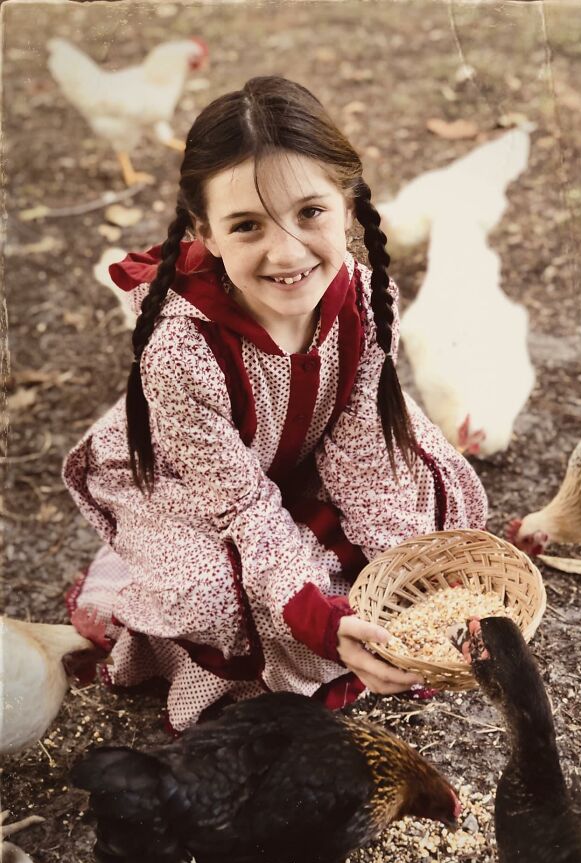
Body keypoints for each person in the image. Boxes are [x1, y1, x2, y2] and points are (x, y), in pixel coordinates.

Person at [63, 76, 487, 732]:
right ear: (206, 231)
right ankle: (133, 590)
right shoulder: (181, 347)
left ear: (345, 204)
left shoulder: (367, 304)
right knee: (211, 586)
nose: (285, 251)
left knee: (425, 504)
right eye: (247, 225)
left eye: (310, 212)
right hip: (201, 487)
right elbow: (243, 509)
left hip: (304, 459)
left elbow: (363, 457)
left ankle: (354, 602)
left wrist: (408, 575)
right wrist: (325, 621)